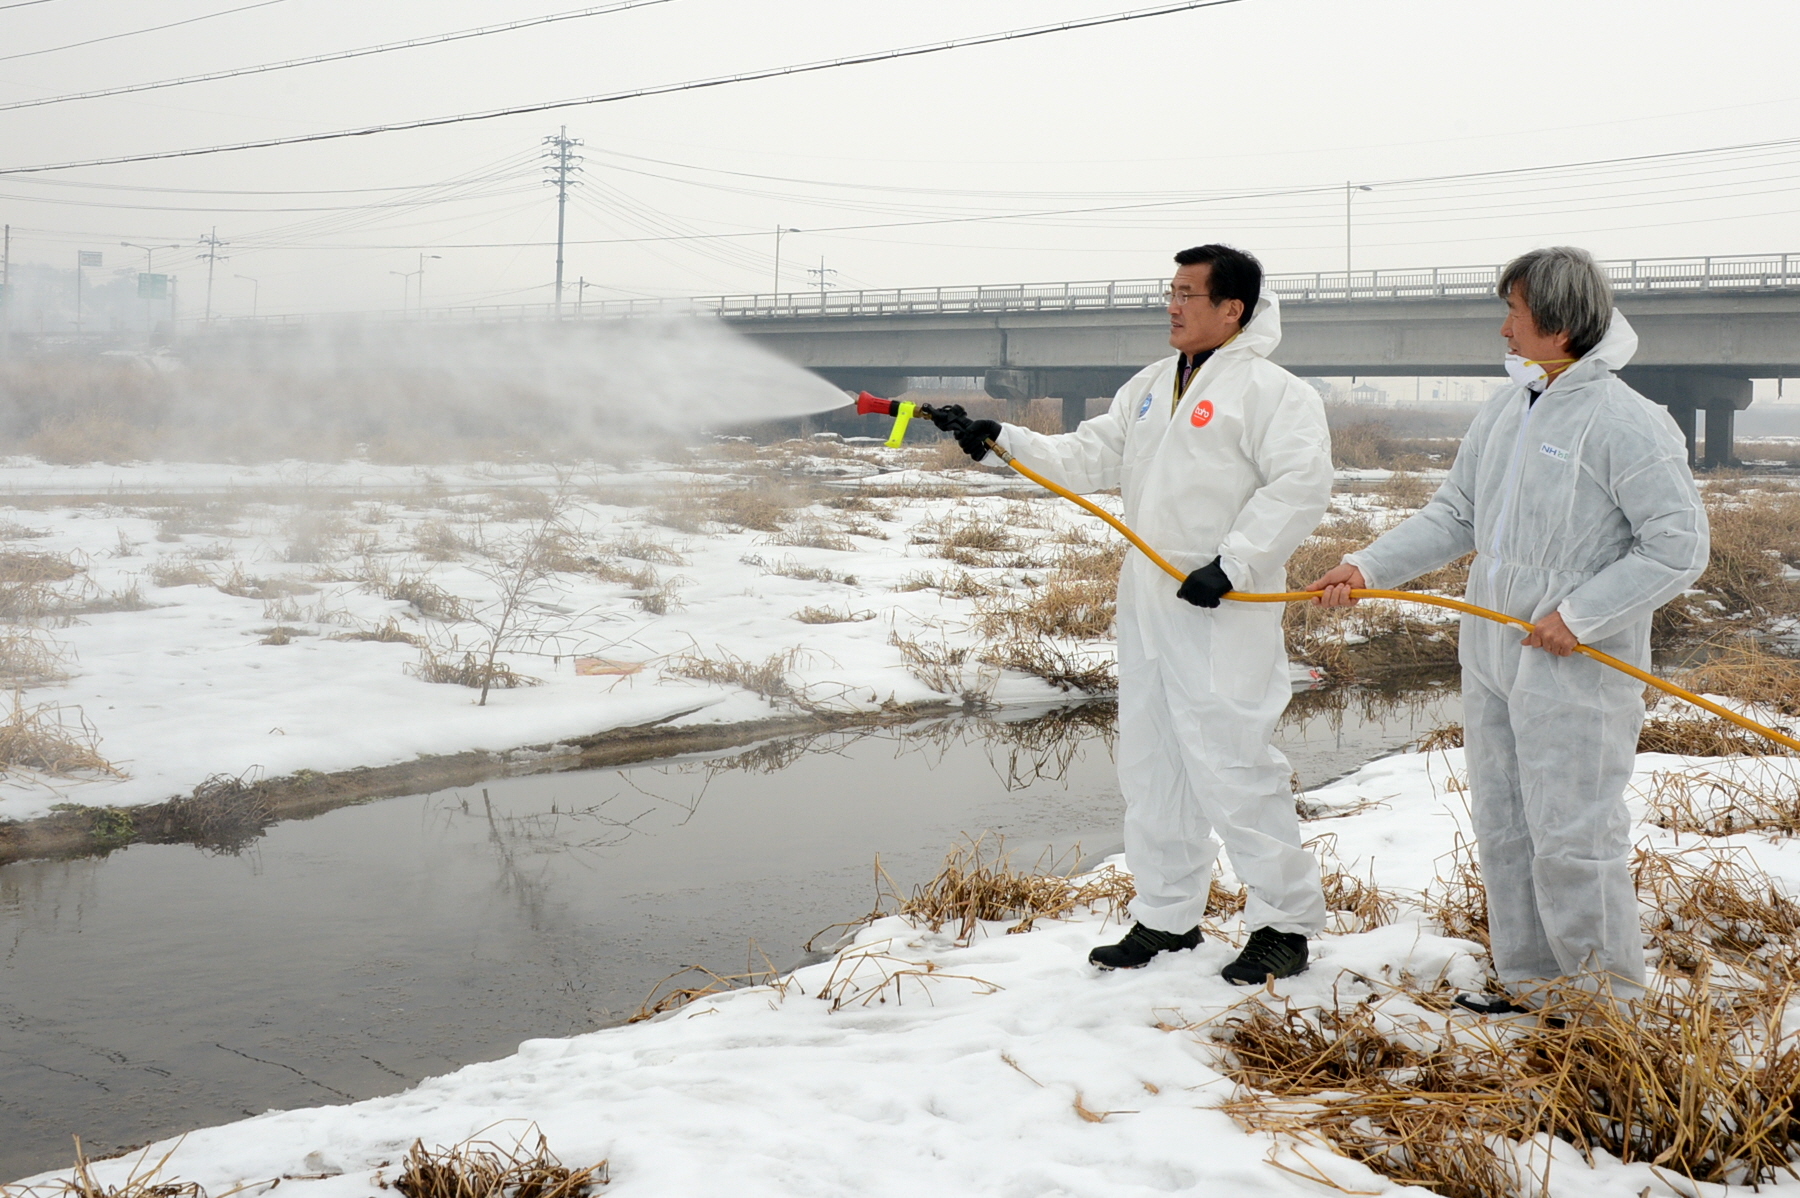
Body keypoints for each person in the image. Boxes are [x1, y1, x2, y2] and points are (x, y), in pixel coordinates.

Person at [1309, 246, 1708, 1009]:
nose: (1503, 329)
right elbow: (1457, 515)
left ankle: (1601, 1011)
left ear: (1557, 325)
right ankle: (1533, 987)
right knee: (1506, 820)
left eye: (1515, 313)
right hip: (1493, 646)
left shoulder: (1628, 421)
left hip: (1576, 657)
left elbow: (1678, 546)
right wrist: (1367, 566)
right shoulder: (1507, 408)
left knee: (1573, 833)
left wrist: (1579, 615)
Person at [933, 244, 1334, 984]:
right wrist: (1001, 442)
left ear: (1231, 309)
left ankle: (1283, 923)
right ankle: (1167, 917)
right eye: (1170, 292)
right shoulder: (1151, 387)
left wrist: (1235, 562)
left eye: (1187, 294)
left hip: (1222, 607)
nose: (1173, 306)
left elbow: (1301, 486)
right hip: (1149, 603)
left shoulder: (1273, 393)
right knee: (1153, 764)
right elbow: (1091, 457)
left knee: (1234, 762)